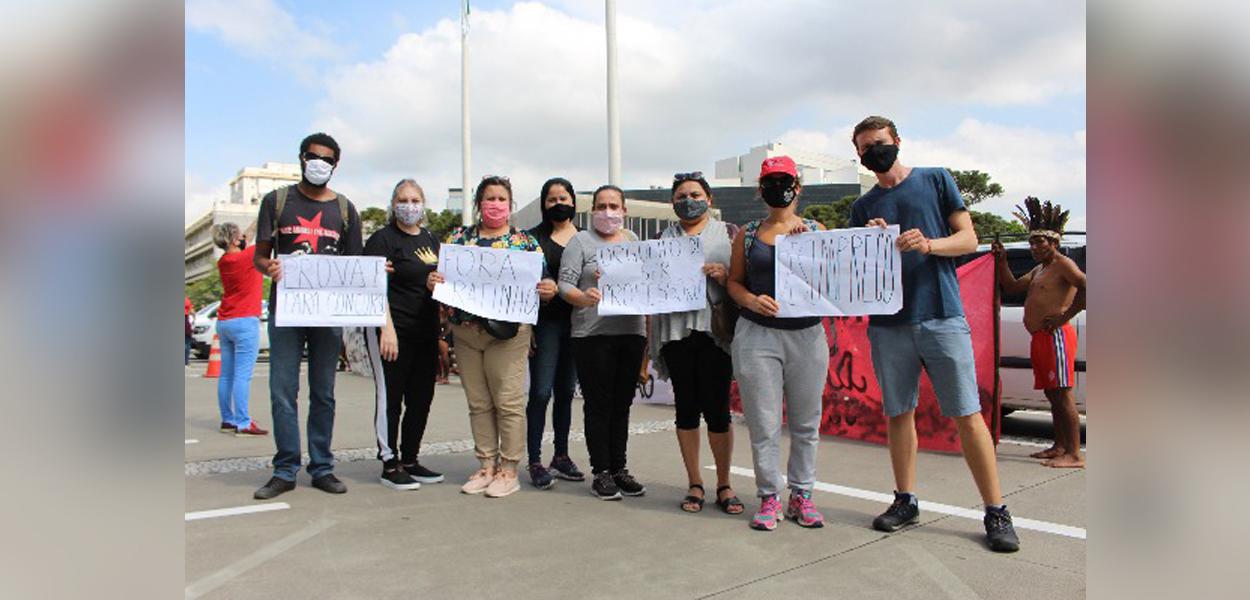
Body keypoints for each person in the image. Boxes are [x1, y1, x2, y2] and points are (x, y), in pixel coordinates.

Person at [849, 116, 1019, 552]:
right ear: (859, 155)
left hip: (941, 314)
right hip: (889, 324)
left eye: (879, 143)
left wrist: (928, 244)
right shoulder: (863, 207)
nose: (874, 152)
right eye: (865, 147)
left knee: (967, 413)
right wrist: (868, 244)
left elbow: (967, 239)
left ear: (897, 141)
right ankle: (905, 500)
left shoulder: (936, 179)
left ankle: (996, 510)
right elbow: (857, 273)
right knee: (898, 413)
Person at [426, 176, 558, 499]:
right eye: (489, 198)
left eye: (501, 198)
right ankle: (486, 464)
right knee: (479, 402)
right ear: (478, 203)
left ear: (510, 205)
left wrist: (549, 289)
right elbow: (444, 279)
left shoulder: (525, 243)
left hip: (508, 335)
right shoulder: (459, 237)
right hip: (467, 332)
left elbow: (543, 283)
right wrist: (435, 281)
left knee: (508, 401)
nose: (495, 204)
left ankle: (509, 469)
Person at [251, 132, 363, 500]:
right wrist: (270, 268)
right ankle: (284, 468)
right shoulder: (277, 200)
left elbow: (356, 266)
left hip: (327, 313)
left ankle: (322, 467)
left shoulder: (346, 210)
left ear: (336, 165)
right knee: (282, 390)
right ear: (301, 158)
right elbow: (260, 257)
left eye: (328, 159)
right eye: (314, 157)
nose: (320, 164)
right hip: (286, 310)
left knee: (324, 392)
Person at [726, 157, 829, 530]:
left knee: (806, 423)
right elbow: (734, 282)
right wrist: (750, 300)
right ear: (760, 189)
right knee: (764, 423)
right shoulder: (748, 234)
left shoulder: (817, 229)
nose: (777, 188)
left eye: (784, 181)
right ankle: (769, 496)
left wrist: (812, 246)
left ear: (797, 187)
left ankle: (802, 495)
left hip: (807, 334)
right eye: (770, 182)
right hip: (758, 335)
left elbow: (836, 278)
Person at [650, 171, 742, 515]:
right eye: (680, 196)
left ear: (709, 199)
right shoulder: (660, 238)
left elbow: (744, 277)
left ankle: (724, 483)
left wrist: (724, 275)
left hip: (714, 331)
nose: (688, 201)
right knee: (685, 409)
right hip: (676, 332)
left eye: (694, 194)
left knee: (718, 410)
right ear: (672, 203)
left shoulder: (731, 234)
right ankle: (694, 482)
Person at [559, 185, 648, 501]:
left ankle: (619, 468)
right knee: (598, 406)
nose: (607, 212)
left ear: (624, 210)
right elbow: (564, 285)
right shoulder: (580, 242)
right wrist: (582, 297)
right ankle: (601, 471)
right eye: (601, 205)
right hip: (592, 335)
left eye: (613, 206)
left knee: (622, 404)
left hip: (631, 331)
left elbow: (649, 280)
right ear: (592, 209)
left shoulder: (634, 242)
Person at [363, 179, 445, 491]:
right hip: (393, 330)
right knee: (391, 397)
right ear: (393, 203)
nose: (409, 206)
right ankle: (389, 461)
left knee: (421, 397)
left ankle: (411, 458)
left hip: (425, 331)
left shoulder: (430, 238)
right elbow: (374, 286)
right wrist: (387, 329)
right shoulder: (382, 240)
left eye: (414, 200)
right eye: (402, 199)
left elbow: (438, 284)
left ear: (423, 204)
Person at [994, 197, 1086, 468]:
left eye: (1040, 243)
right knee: (1052, 393)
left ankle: (1074, 454)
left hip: (1056, 336)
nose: (1034, 248)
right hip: (1041, 338)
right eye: (1032, 243)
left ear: (1054, 243)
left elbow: (1087, 286)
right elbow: (1011, 287)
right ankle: (1059, 446)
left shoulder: (1063, 265)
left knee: (1063, 393)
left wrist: (1065, 316)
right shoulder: (1040, 268)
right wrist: (1001, 261)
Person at [524, 177, 586, 489]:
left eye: (563, 197)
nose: (558, 203)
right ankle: (534, 459)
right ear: (543, 204)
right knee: (540, 392)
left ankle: (560, 455)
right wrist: (527, 328)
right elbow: (518, 286)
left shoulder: (587, 239)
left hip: (578, 325)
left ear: (574, 202)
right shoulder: (530, 239)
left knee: (565, 393)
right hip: (544, 325)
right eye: (551, 199)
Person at [212, 220, 268, 436]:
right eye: (240, 236)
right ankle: (244, 422)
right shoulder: (249, 256)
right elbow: (259, 239)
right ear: (236, 239)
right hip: (245, 321)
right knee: (243, 376)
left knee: (226, 375)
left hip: (225, 321)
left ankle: (228, 419)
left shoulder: (224, 260)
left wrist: (256, 219)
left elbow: (249, 234)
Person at [185, 296, 194, 366]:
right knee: (187, 342)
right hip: (185, 321)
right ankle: (185, 361)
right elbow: (191, 311)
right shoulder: (185, 299)